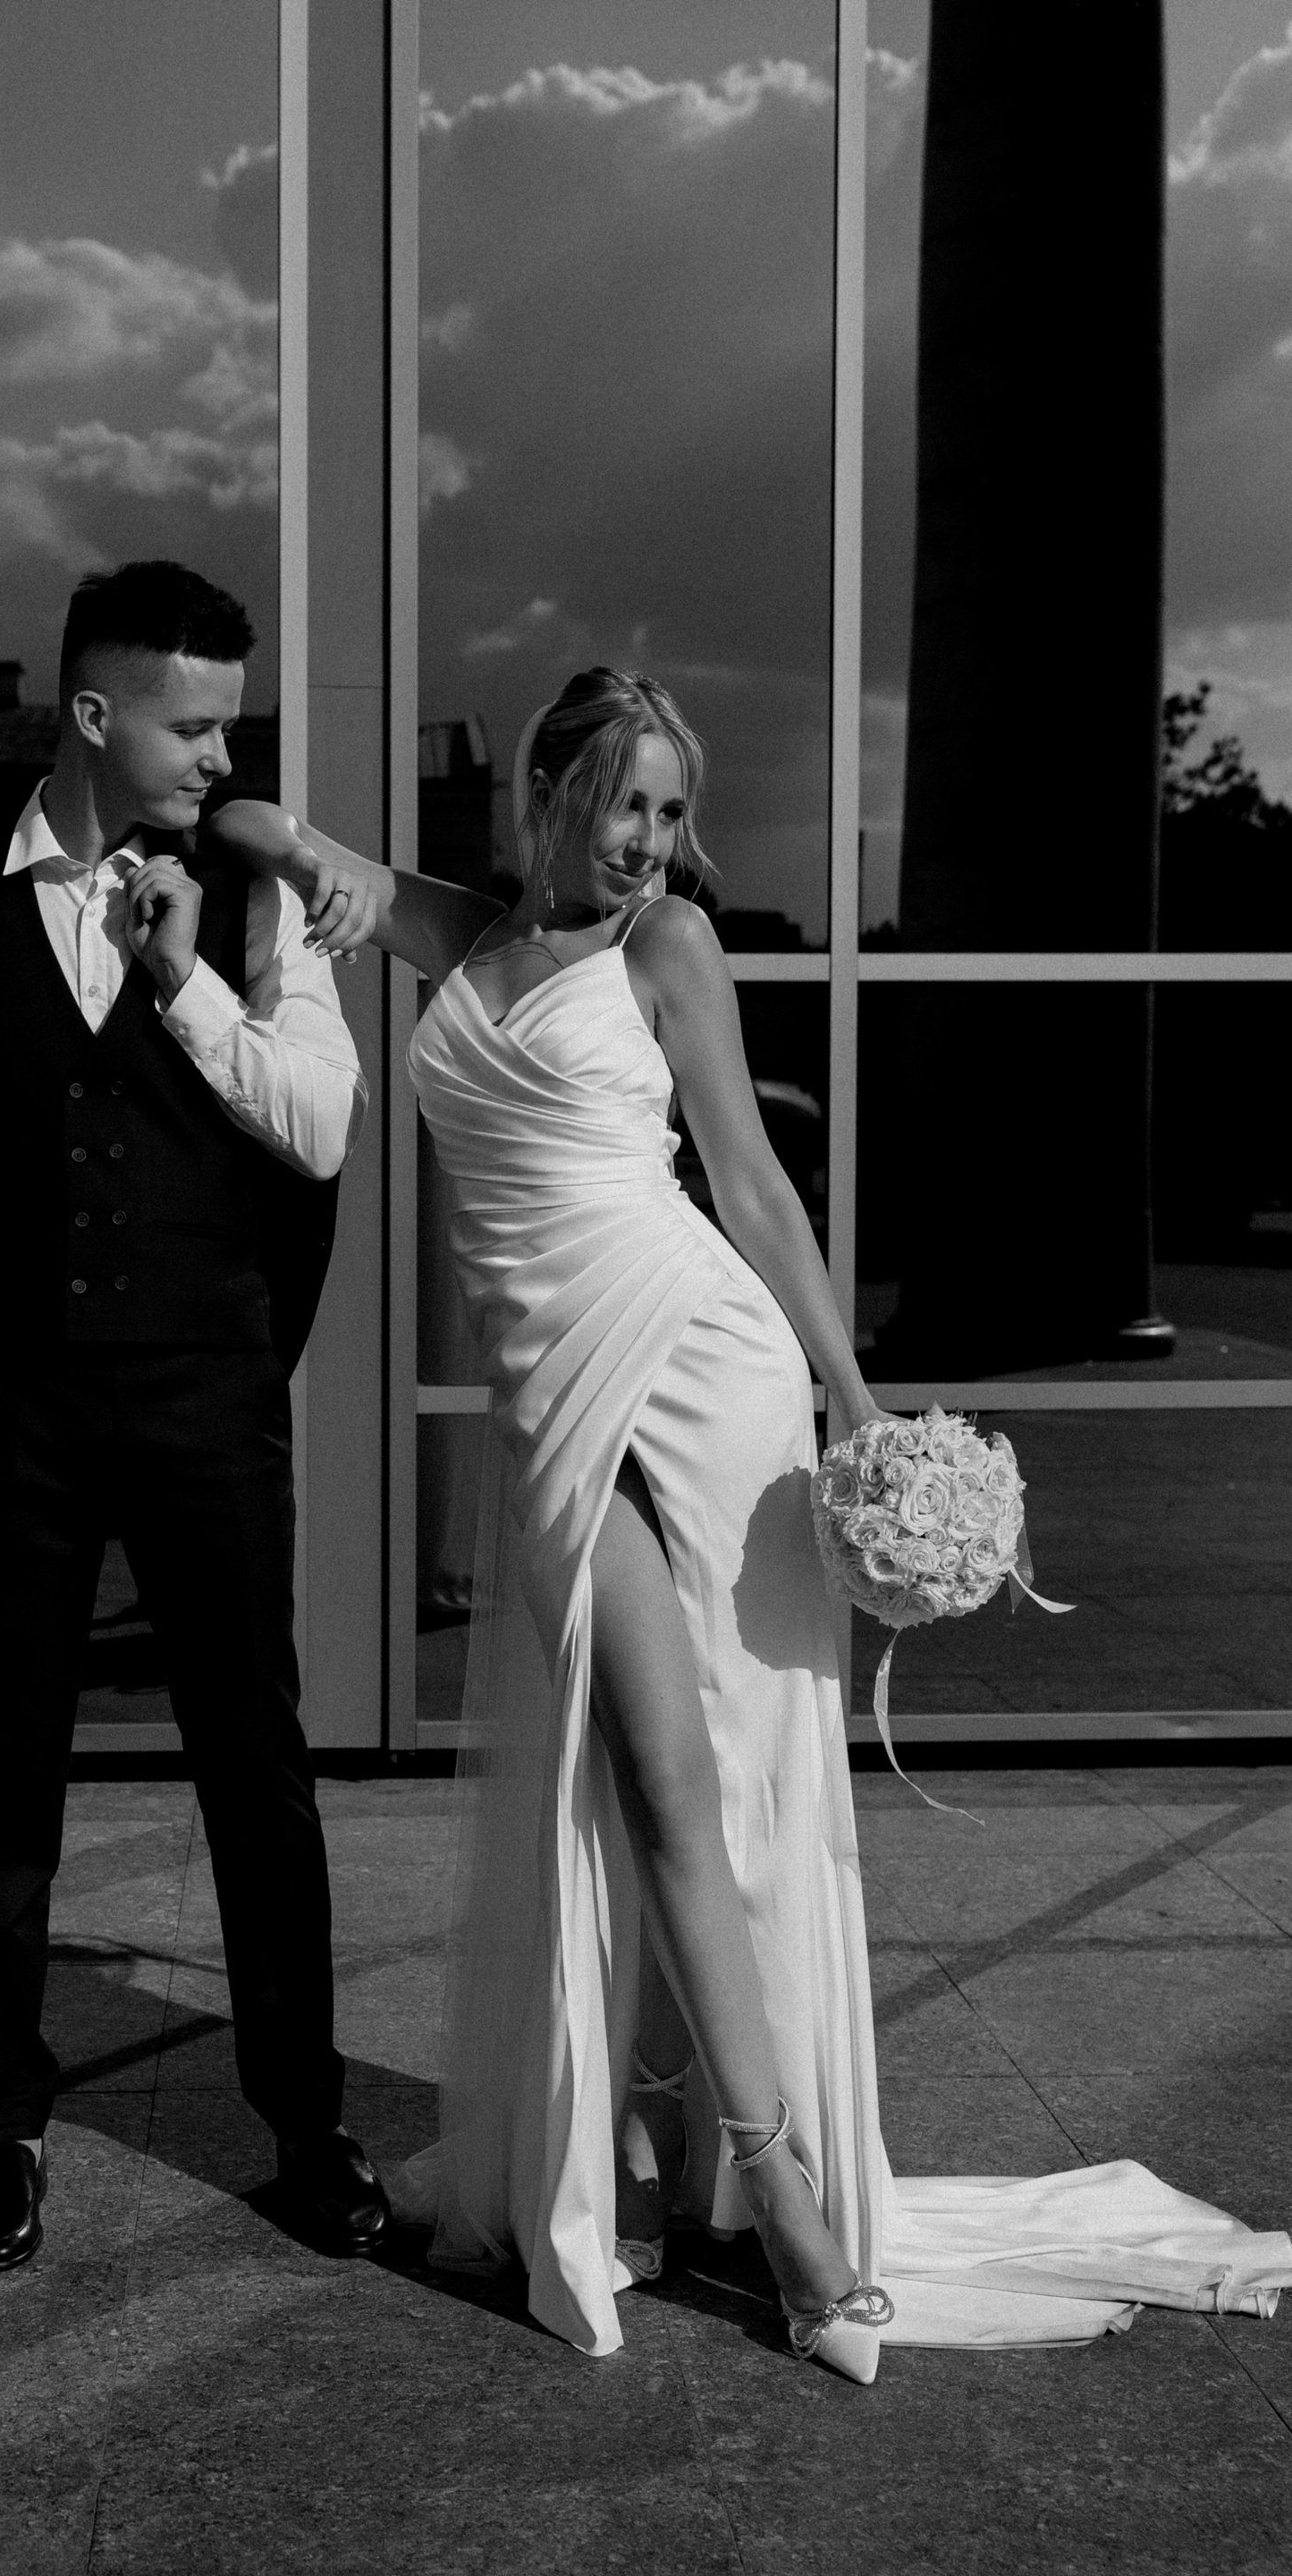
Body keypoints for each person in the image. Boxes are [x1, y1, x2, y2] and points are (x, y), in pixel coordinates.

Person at [207, 665, 1292, 2376]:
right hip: (552, 1400)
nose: (649, 841)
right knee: (638, 1785)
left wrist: (853, 1394)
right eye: (623, 802)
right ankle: (666, 2142)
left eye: (671, 812)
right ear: (550, 789)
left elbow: (754, 1183)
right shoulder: (463, 934)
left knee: (695, 1782)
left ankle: (773, 2184)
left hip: (703, 1368)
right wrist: (307, 872)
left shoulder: (669, 948)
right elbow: (247, 817)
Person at [0, 559, 391, 2272]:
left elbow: (322, 1129)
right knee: (3, 1781)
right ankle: (1, 2135)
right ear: (92, 714)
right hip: (12, 1407)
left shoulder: (263, 901)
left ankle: (307, 2125)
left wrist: (188, 981)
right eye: (193, 723)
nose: (222, 755)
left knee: (257, 1772)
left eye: (231, 723)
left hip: (211, 1399)